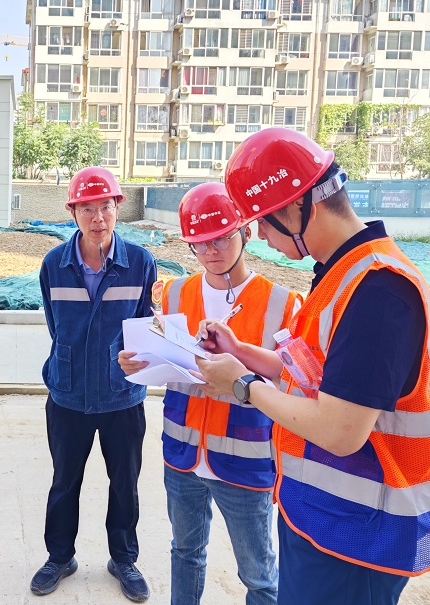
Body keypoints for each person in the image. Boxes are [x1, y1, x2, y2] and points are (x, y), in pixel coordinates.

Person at [194, 128, 430, 605]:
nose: (259, 236)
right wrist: (243, 352)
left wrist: (243, 386)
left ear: (300, 207)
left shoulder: (378, 291)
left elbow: (341, 432)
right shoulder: (342, 272)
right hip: (326, 517)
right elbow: (315, 377)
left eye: (263, 221)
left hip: (360, 536)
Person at [119, 183, 300, 605]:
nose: (210, 250)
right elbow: (166, 362)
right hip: (182, 455)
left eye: (220, 238)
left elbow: (293, 384)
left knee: (259, 576)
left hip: (245, 462)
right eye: (199, 242)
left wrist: (241, 374)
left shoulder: (281, 303)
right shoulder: (174, 294)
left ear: (246, 233)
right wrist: (136, 364)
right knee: (185, 553)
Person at [31, 166, 158, 602]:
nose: (97, 217)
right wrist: (70, 363)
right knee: (64, 481)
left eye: (105, 206)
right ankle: (59, 557)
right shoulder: (54, 264)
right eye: (86, 208)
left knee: (125, 482)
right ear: (73, 212)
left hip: (122, 395)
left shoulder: (140, 263)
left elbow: (143, 327)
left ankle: (123, 559)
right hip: (67, 394)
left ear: (118, 207)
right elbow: (56, 326)